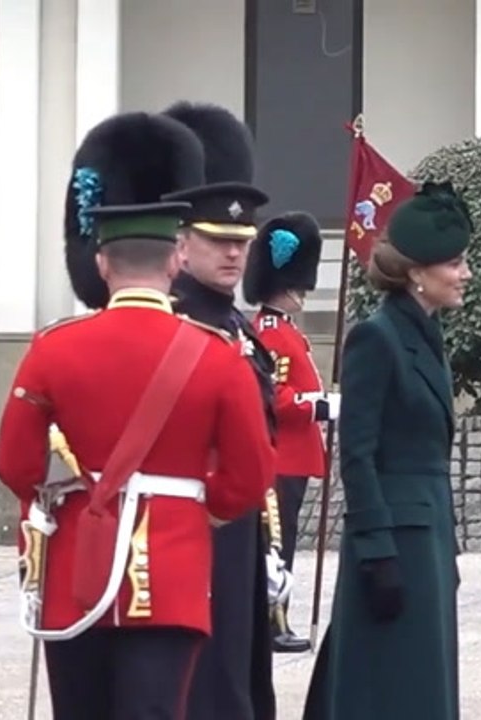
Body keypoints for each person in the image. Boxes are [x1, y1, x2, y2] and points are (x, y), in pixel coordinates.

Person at [0, 110, 275, 720]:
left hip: (75, 570)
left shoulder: (52, 347)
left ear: (101, 264)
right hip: (172, 568)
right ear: (175, 258)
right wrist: (200, 507)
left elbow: (15, 465)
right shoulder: (216, 353)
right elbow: (250, 478)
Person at [304, 180, 472, 720]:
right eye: (455, 263)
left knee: (423, 680)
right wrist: (375, 549)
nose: (466, 273)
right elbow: (356, 453)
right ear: (417, 272)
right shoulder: (375, 337)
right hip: (393, 544)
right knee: (387, 682)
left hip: (429, 536)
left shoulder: (428, 334)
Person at [156, 100, 288, 716]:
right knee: (206, 679)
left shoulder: (237, 323)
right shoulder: (174, 321)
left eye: (241, 241)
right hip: (193, 522)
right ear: (180, 243)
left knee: (240, 669)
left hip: (241, 523)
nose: (234, 254)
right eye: (217, 241)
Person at [242, 210, 339, 650]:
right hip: (281, 455)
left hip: (294, 457)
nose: (302, 294)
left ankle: (274, 618)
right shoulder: (269, 333)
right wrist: (318, 405)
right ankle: (272, 621)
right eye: (296, 287)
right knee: (276, 546)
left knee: (283, 543)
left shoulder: (283, 331)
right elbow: (275, 397)